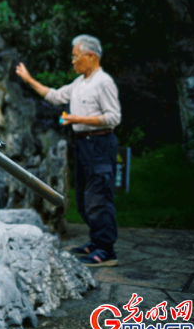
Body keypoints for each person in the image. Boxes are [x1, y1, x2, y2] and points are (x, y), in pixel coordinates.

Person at [15, 35, 121, 268]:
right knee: (84, 198)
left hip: (100, 144)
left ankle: (106, 250)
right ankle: (95, 242)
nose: (72, 62)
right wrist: (29, 79)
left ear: (91, 56)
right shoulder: (79, 82)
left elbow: (114, 117)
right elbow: (54, 96)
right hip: (83, 144)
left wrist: (76, 118)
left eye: (75, 56)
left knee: (99, 197)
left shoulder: (104, 82)